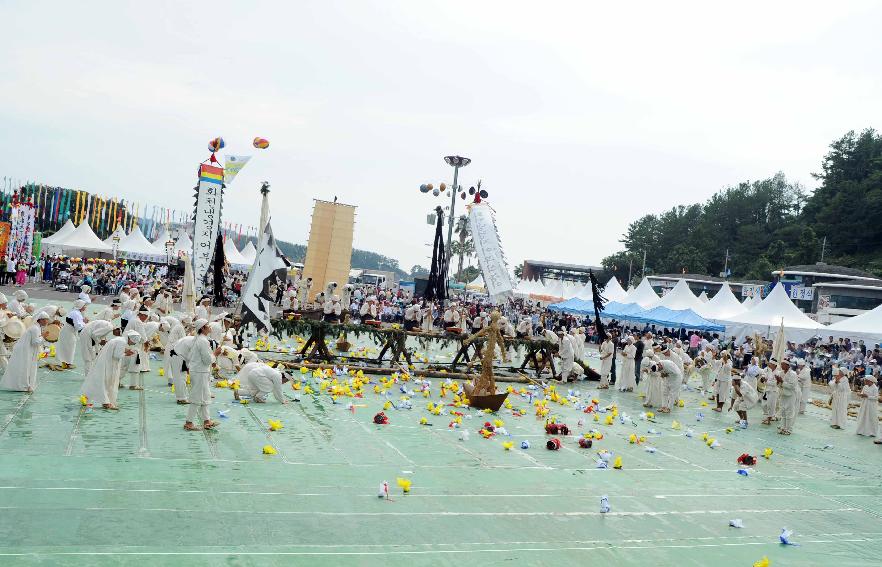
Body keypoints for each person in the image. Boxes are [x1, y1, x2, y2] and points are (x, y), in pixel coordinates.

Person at [81, 330, 139, 410]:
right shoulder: (122, 342)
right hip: (109, 364)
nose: (132, 344)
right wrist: (127, 354)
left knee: (102, 380)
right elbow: (117, 355)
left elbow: (114, 350)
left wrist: (125, 351)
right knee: (108, 381)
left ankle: (99, 400)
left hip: (105, 362)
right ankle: (106, 402)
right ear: (131, 339)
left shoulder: (119, 339)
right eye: (133, 342)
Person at [184, 319, 220, 431]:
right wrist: (215, 353)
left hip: (200, 371)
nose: (210, 327)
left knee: (205, 396)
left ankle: (207, 421)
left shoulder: (201, 339)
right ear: (203, 328)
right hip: (199, 371)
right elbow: (207, 360)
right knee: (197, 397)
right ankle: (189, 423)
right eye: (208, 325)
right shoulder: (202, 341)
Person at [0, 311, 50, 392]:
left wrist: (42, 336)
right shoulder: (35, 328)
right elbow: (35, 342)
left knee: (25, 367)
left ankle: (25, 385)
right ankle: (24, 386)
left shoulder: (36, 327)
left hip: (25, 349)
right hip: (24, 350)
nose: (47, 321)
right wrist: (44, 337)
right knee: (25, 367)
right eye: (45, 320)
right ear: (40, 320)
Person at [57, 299, 88, 369]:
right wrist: (86, 325)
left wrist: (84, 322)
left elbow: (78, 323)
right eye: (84, 306)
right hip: (68, 331)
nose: (85, 307)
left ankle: (67, 362)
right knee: (69, 347)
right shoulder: (76, 314)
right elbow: (78, 326)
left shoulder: (76, 312)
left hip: (69, 330)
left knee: (68, 347)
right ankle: (66, 362)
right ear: (80, 306)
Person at [777, 359, 799, 435]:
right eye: (781, 364)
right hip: (783, 394)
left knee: (789, 412)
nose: (781, 366)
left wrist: (782, 381)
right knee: (783, 411)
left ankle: (788, 429)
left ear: (787, 366)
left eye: (783, 364)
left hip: (790, 395)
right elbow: (779, 385)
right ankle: (783, 428)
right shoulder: (781, 373)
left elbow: (792, 386)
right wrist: (778, 381)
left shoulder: (793, 374)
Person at [658, 346, 683, 413]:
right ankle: (664, 406)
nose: (664, 355)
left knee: (672, 393)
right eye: (663, 354)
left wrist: (666, 373)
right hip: (667, 376)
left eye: (665, 353)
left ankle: (669, 408)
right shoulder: (663, 357)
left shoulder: (675, 356)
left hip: (676, 377)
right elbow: (661, 366)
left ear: (668, 351)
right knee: (664, 391)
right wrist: (662, 373)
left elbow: (677, 370)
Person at [760, 358, 780, 425]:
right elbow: (765, 377)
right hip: (768, 390)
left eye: (771, 364)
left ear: (774, 365)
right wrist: (763, 377)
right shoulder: (770, 371)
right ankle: (768, 417)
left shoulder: (777, 373)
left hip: (773, 391)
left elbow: (775, 383)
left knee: (772, 405)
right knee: (768, 405)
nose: (769, 365)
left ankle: (769, 420)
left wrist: (766, 381)